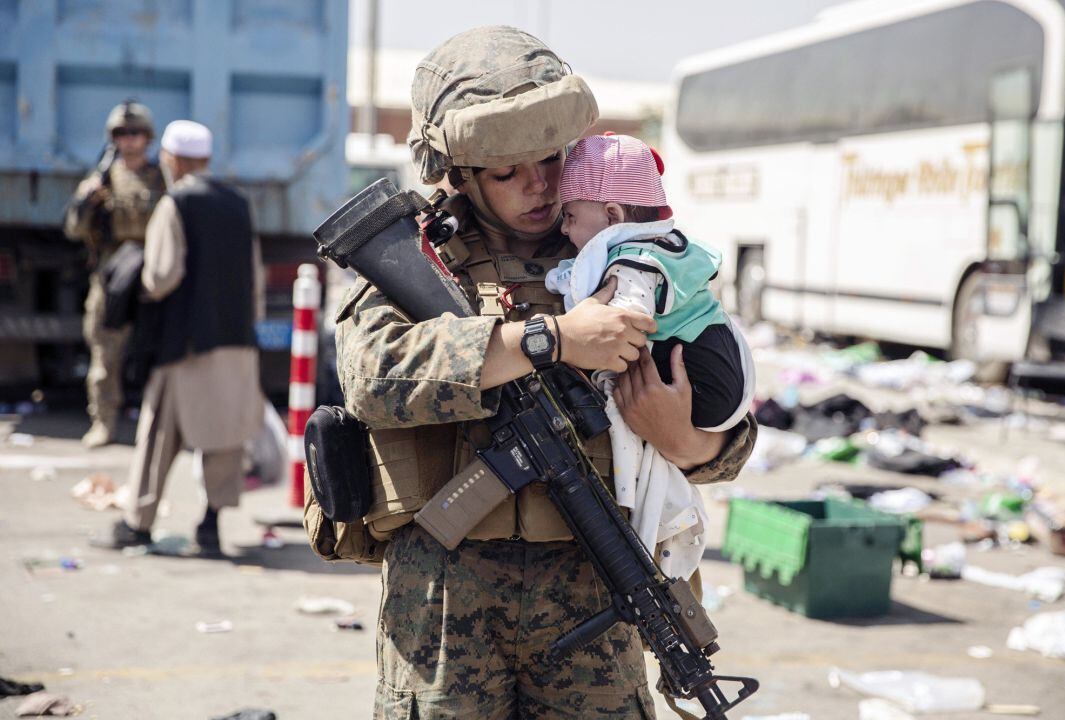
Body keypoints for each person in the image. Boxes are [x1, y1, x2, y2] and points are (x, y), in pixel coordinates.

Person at [333, 26, 757, 719]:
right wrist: (551, 338)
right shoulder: (415, 260)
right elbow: (374, 378)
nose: (541, 187)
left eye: (551, 160)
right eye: (507, 172)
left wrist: (686, 440)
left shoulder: (621, 257)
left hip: (595, 580)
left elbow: (726, 413)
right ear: (461, 174)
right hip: (447, 597)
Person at [546, 133, 756, 580]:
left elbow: (627, 316)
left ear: (613, 216)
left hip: (704, 385)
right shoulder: (642, 247)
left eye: (569, 216)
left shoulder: (636, 259)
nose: (563, 229)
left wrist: (677, 435)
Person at [94, 120, 263, 555]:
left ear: (174, 159)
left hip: (186, 344)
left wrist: (138, 286)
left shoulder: (177, 203)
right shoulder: (238, 204)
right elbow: (254, 281)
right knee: (224, 438)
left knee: (159, 433)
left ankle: (139, 522)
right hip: (235, 340)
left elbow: (163, 275)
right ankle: (210, 527)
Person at [64, 101, 165, 448]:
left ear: (147, 137)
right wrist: (86, 201)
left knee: (159, 354)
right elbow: (74, 230)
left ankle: (159, 426)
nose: (129, 140)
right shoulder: (100, 180)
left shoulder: (162, 178)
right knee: (105, 353)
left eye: (135, 133)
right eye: (121, 134)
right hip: (113, 275)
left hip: (152, 273)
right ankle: (104, 422)